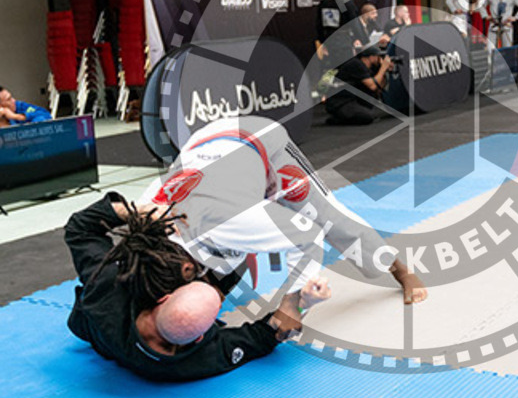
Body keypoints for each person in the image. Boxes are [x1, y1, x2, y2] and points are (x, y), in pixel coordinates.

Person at [140, 116, 427, 304]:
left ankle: (398, 268)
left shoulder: (236, 220)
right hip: (209, 145)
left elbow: (309, 237)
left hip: (262, 142)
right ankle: (209, 294)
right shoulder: (144, 219)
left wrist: (292, 304)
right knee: (217, 250)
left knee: (327, 217)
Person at [65, 192, 334, 381]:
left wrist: (138, 211)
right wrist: (301, 302)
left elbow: (79, 227)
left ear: (162, 298)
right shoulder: (200, 359)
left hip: (94, 325)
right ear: (200, 337)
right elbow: (265, 336)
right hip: (121, 332)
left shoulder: (108, 285)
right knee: (235, 255)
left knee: (157, 250)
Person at [326, 45, 392, 126]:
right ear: (371, 57)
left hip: (353, 99)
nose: (380, 59)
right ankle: (336, 119)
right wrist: (383, 69)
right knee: (367, 117)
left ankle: (353, 113)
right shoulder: (356, 64)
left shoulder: (370, 68)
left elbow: (378, 88)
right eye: (378, 56)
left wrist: (384, 71)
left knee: (368, 114)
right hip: (340, 102)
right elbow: (372, 86)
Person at [315, 0, 357, 67]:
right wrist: (359, 39)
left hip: (329, 40)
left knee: (331, 67)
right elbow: (354, 21)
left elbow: (319, 23)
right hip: (343, 41)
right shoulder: (345, 2)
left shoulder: (325, 1)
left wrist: (322, 41)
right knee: (346, 67)